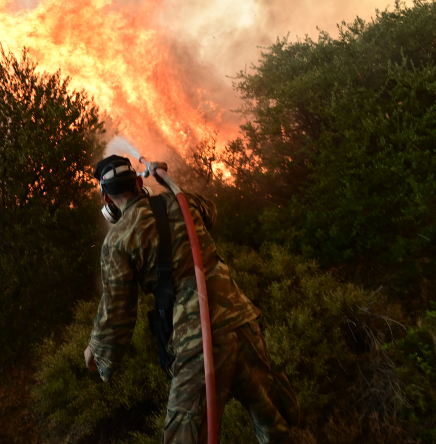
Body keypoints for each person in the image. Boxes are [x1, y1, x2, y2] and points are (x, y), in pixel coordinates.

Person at [84, 155, 299, 444]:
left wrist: (97, 353)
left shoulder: (118, 241)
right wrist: (169, 186)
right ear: (138, 183)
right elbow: (210, 213)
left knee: (183, 435)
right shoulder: (179, 201)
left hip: (199, 339)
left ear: (106, 197)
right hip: (242, 323)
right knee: (274, 423)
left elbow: (117, 312)